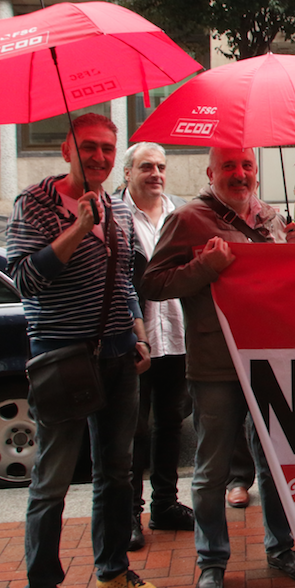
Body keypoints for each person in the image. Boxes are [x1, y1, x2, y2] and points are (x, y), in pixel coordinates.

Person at [142, 147, 295, 588]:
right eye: (229, 166)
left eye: (247, 166)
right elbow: (153, 284)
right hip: (216, 365)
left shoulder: (272, 218)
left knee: (276, 466)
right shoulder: (187, 219)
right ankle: (212, 561)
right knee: (211, 471)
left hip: (271, 362)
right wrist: (205, 266)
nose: (239, 174)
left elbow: (287, 288)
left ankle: (281, 547)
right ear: (211, 172)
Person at [7, 113, 158, 588]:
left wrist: (138, 332)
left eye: (107, 149)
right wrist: (77, 229)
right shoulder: (34, 203)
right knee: (52, 481)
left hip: (119, 356)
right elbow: (24, 279)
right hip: (63, 358)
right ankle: (42, 584)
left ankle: (113, 572)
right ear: (66, 151)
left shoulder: (116, 208)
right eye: (88, 147)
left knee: (116, 473)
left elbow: (125, 281)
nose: (99, 157)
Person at [114, 142, 193, 552]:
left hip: (177, 335)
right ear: (128, 173)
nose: (156, 174)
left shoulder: (180, 213)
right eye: (146, 167)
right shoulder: (114, 215)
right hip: (136, 340)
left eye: (161, 166)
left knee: (170, 424)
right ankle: (130, 514)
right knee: (134, 430)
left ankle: (165, 504)